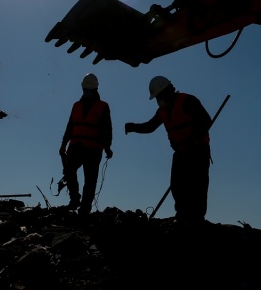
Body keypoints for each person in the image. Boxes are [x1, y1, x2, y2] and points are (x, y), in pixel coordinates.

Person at [125, 76, 212, 225]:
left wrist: (195, 140)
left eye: (159, 96)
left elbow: (206, 120)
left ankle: (197, 218)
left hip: (198, 150)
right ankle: (183, 215)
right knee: (177, 185)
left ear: (167, 91)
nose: (158, 100)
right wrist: (134, 127)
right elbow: (150, 126)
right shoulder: (162, 111)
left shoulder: (187, 101)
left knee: (198, 185)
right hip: (181, 152)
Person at [59, 73, 113, 215]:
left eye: (89, 90)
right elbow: (70, 126)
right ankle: (75, 200)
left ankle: (85, 209)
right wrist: (63, 144)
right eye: (85, 90)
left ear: (95, 90)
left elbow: (107, 128)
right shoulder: (76, 105)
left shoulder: (103, 106)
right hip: (76, 145)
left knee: (90, 180)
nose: (87, 92)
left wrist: (107, 147)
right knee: (69, 170)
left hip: (94, 148)